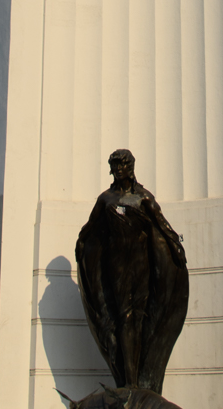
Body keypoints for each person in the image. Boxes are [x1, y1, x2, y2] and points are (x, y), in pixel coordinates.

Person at [75, 149, 189, 393]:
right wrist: (81, 244)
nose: (118, 169)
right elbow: (90, 227)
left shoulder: (144, 198)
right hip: (117, 265)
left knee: (139, 316)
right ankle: (130, 383)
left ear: (131, 168)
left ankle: (137, 378)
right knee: (125, 317)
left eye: (122, 165)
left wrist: (175, 247)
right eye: (114, 165)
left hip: (141, 264)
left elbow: (163, 225)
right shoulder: (105, 199)